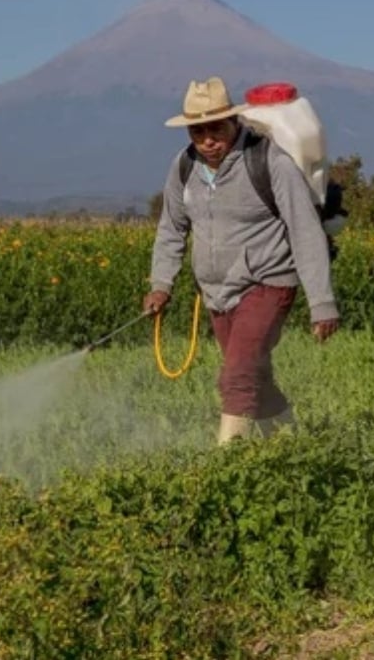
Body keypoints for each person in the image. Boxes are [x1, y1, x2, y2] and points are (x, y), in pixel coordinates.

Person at [143, 76, 340, 445]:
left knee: (236, 376)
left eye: (215, 129)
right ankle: (296, 448)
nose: (207, 140)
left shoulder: (270, 161)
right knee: (256, 376)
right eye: (197, 132)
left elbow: (305, 231)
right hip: (218, 293)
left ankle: (226, 467)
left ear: (234, 122)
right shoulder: (184, 167)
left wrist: (322, 303)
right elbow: (171, 228)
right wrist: (161, 284)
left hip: (268, 282)